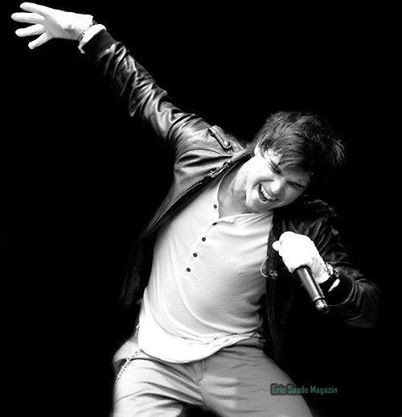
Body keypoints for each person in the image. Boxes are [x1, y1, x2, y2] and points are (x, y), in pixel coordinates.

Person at [11, 3, 379, 417]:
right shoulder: (203, 150)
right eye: (275, 169)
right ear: (259, 147)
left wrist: (324, 273)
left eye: (294, 185)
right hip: (152, 355)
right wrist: (89, 33)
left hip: (234, 358)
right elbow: (144, 96)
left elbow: (366, 309)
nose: (277, 190)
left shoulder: (306, 222)